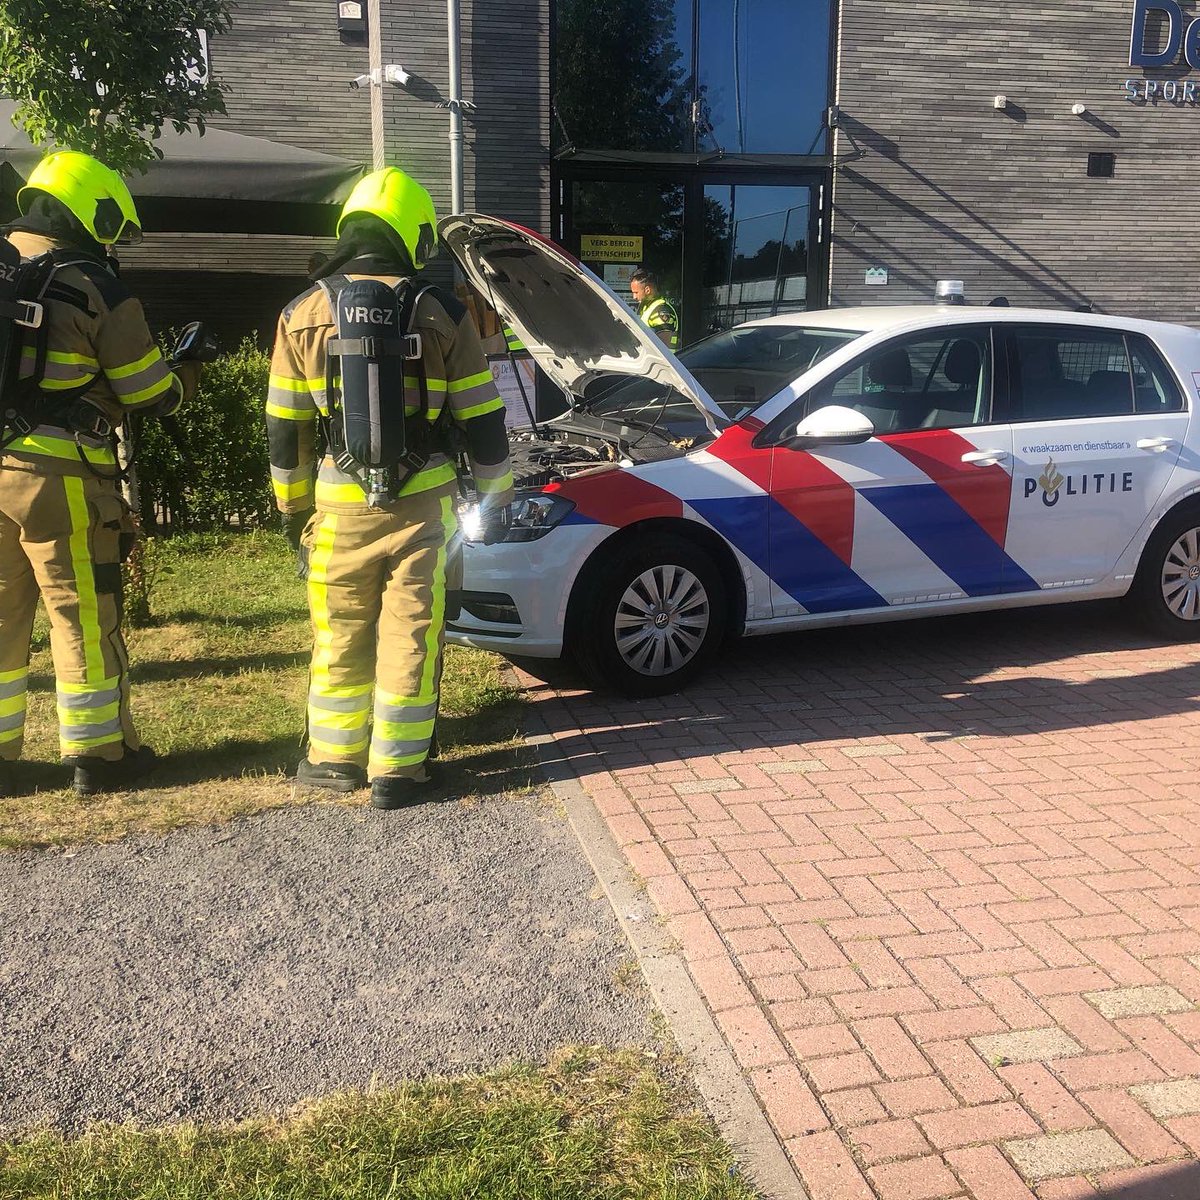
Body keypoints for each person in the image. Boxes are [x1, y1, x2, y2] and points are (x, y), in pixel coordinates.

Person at [267, 166, 514, 811]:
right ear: (414, 233)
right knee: (412, 630)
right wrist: (497, 495)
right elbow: (481, 417)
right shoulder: (442, 312)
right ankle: (400, 771)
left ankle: (329, 759)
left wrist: (294, 509)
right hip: (421, 506)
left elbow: (284, 428)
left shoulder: (301, 313)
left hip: (336, 501)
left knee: (338, 630)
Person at [0, 151, 199, 797]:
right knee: (81, 614)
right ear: (89, 209)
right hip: (61, 481)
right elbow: (149, 392)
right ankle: (100, 754)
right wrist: (186, 370)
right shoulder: (92, 284)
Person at [629, 267, 679, 351]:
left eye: (636, 292)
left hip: (662, 363)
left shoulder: (661, 310)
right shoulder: (647, 307)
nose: (634, 297)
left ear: (647, 290)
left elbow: (663, 344)